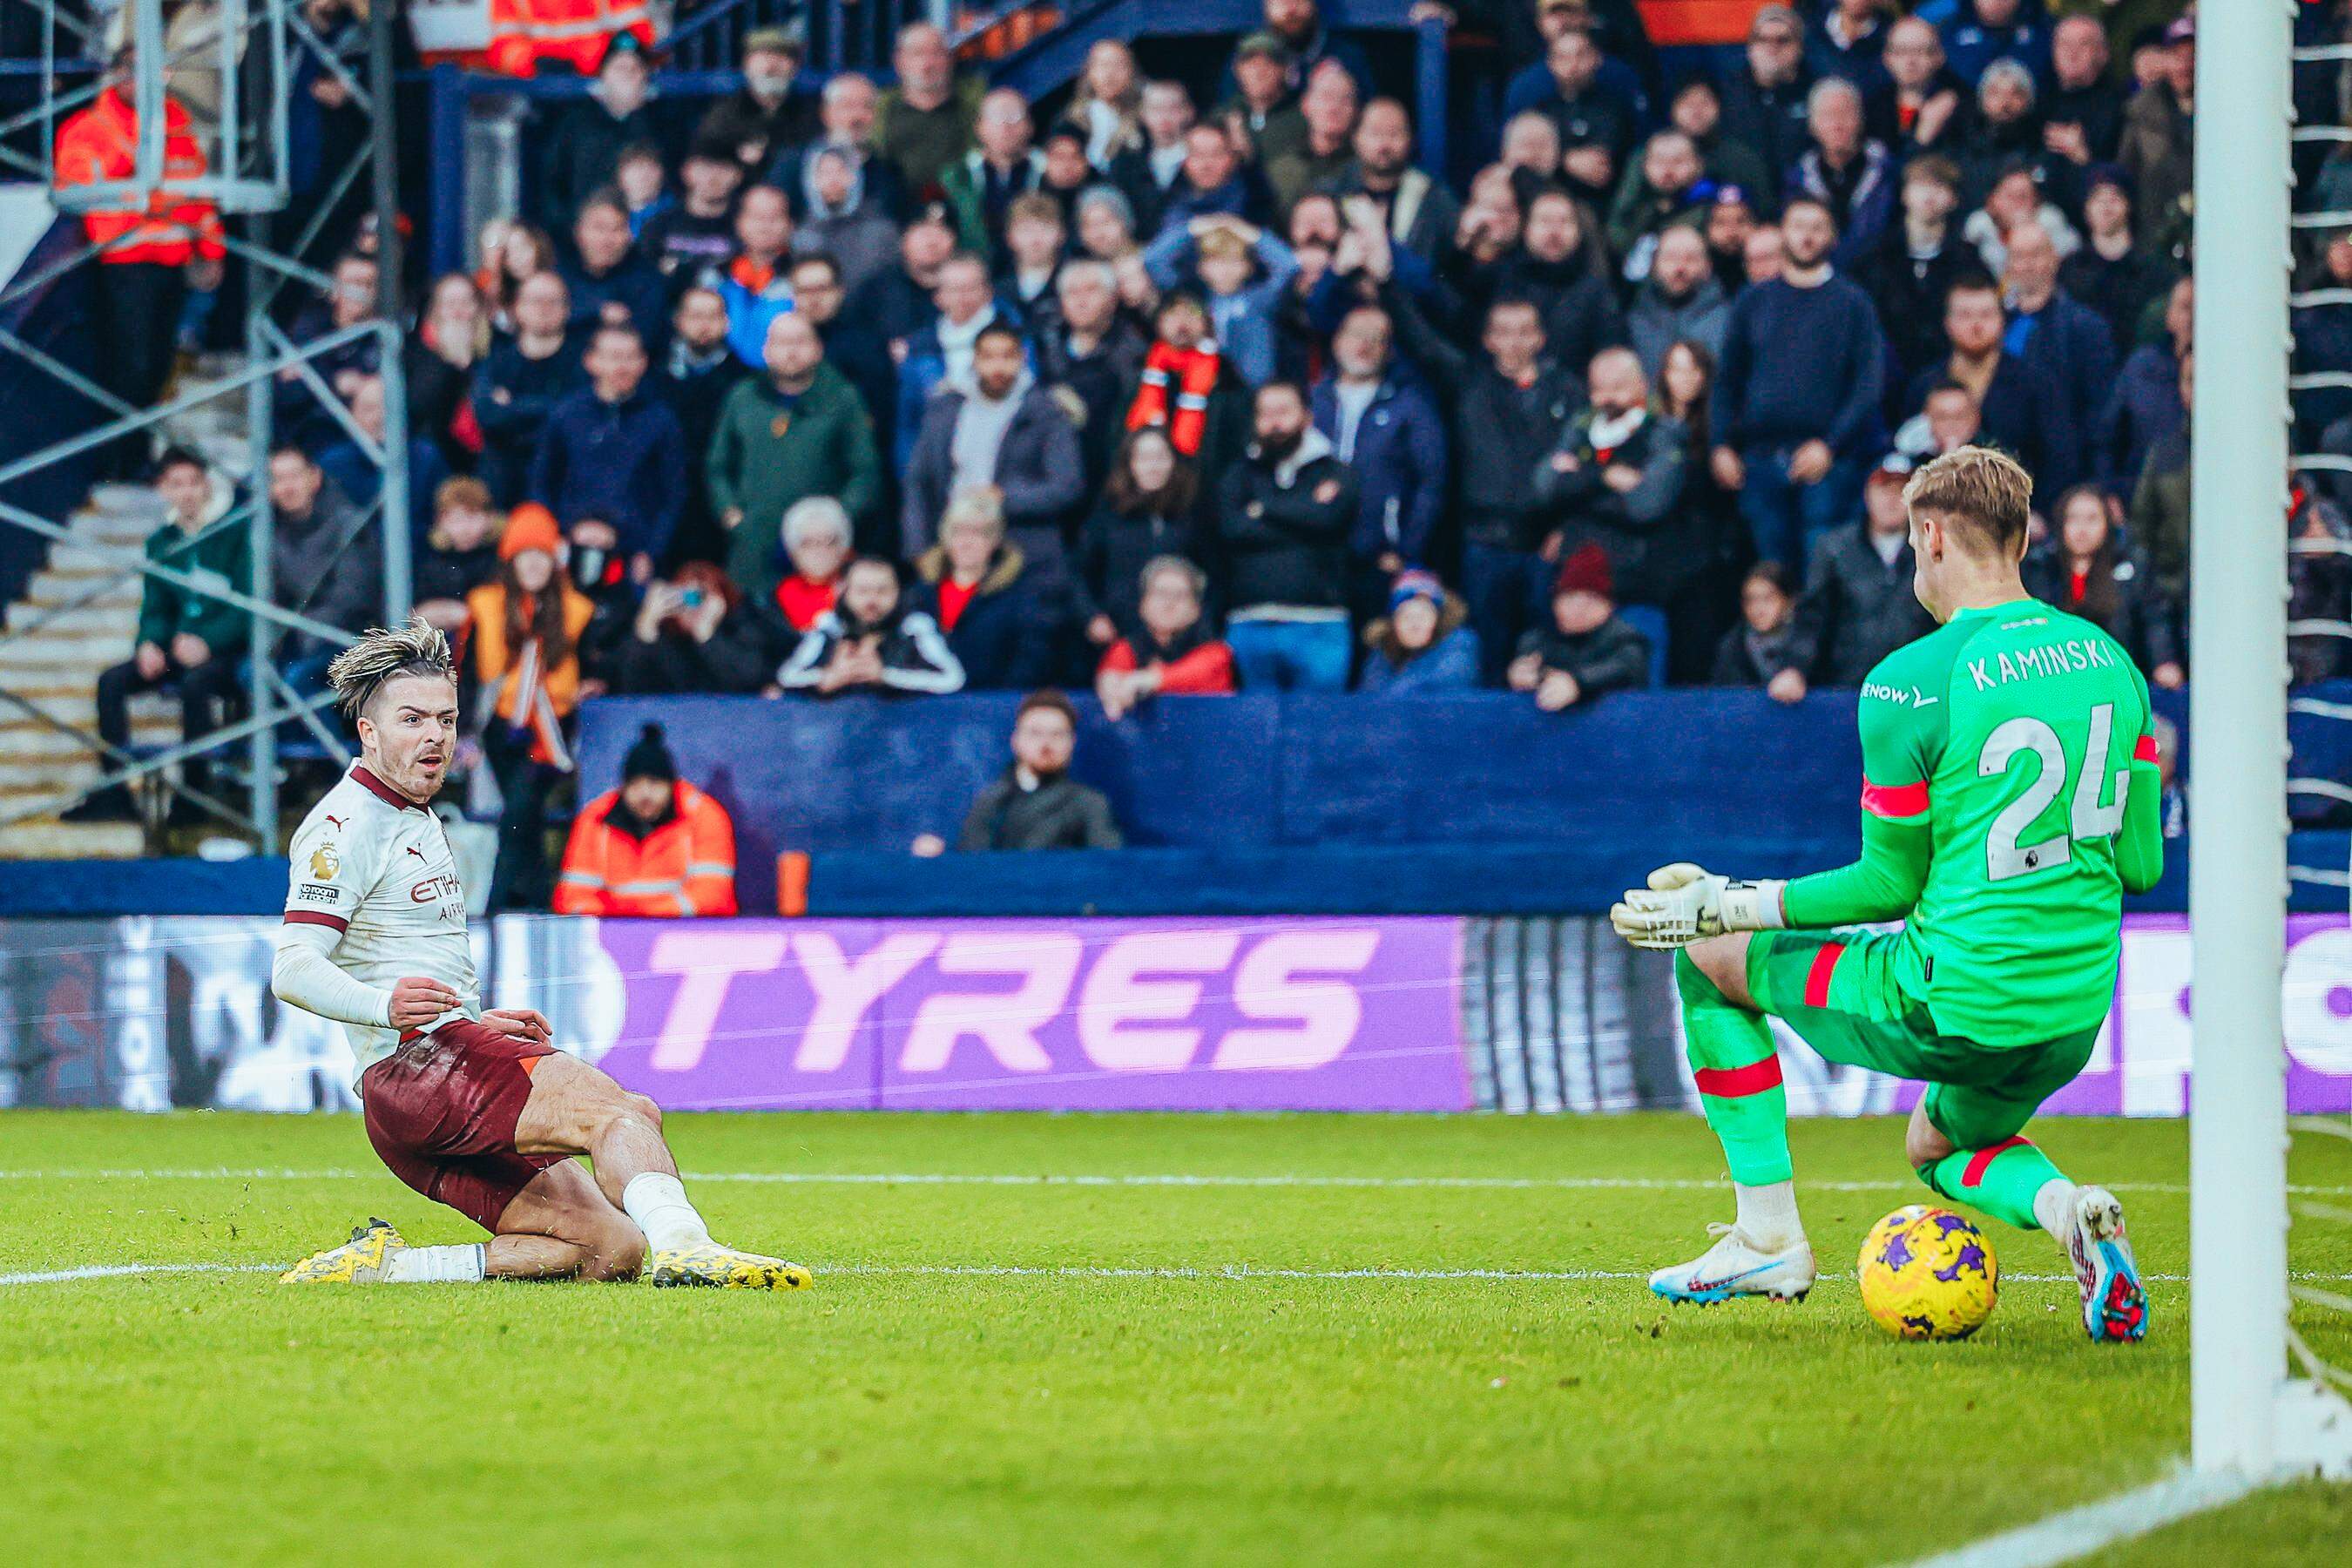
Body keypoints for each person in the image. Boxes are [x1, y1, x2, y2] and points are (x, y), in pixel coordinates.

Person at [1614, 444, 2154, 1344]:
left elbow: (1884, 884)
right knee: (1937, 1147)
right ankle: (2072, 1212)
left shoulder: (1910, 680)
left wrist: (1725, 903)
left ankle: (1767, 1238)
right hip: (2070, 1014)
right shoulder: (2110, 662)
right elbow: (2137, 865)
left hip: (1952, 998)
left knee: (1710, 966)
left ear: (1932, 534)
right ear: (2022, 537)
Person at [272, 618, 808, 1289]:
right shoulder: (344, 825)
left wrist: (469, 1019)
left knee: (607, 1250)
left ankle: (386, 1269)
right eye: (412, 719)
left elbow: (393, 955)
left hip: (426, 1074)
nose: (435, 735)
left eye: (445, 718)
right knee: (621, 1112)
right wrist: (389, 1009)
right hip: (420, 1072)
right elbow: (293, 966)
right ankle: (688, 1245)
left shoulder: (409, 812)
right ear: (369, 733)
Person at [54, 37, 226, 479]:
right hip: (124, 264)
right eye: (133, 70)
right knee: (128, 365)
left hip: (171, 261)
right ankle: (120, 462)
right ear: (115, 74)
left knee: (158, 364)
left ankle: (137, 456)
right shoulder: (88, 129)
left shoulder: (176, 123)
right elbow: (81, 195)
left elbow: (198, 193)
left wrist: (210, 250)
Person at [66, 449, 247, 823]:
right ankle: (116, 790)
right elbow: (156, 606)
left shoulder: (235, 533)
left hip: (225, 652)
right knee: (112, 681)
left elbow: (248, 605)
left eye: (193, 483)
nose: (186, 494)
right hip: (177, 650)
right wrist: (149, 642)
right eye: (175, 485)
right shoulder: (162, 542)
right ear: (163, 490)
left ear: (207, 485)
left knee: (198, 685)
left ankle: (194, 795)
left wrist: (208, 642)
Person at [1710, 199, 1886, 574]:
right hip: (1758, 461)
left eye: (1817, 227)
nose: (1806, 236)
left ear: (1833, 238)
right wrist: (1720, 444)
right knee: (1770, 578)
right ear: (1782, 233)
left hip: (1829, 465)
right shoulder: (1753, 301)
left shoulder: (1854, 303)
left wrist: (1830, 445)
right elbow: (1727, 380)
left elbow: (1868, 385)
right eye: (1798, 225)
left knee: (1821, 575)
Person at [706, 314, 882, 602]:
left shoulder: (842, 397)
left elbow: (865, 470)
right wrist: (729, 513)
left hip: (819, 546)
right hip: (754, 540)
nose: (791, 351)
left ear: (818, 348)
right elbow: (718, 466)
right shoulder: (743, 396)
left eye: (800, 342)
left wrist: (839, 518)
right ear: (766, 350)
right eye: (781, 343)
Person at [899, 322, 1085, 565]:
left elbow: (1066, 486)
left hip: (1021, 549)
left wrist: (1004, 498)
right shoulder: (946, 410)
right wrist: (918, 547)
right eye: (988, 356)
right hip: (951, 546)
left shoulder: (1046, 413)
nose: (998, 366)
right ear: (975, 360)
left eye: (1008, 356)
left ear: (1022, 358)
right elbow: (919, 481)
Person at [1217, 381, 1357, 691]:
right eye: (1265, 414)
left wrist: (1262, 508)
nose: (1274, 423)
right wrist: (1302, 513)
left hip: (1320, 624)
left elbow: (1329, 520)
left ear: (1307, 416)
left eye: (1283, 411)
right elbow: (1232, 528)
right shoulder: (1237, 473)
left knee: (1320, 730)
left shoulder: (1335, 472)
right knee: (1254, 733)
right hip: (1249, 624)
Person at [1310, 307, 1446, 613]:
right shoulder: (1313, 399)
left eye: (1376, 338)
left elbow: (1431, 482)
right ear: (1337, 341)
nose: (1364, 345)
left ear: (1388, 349)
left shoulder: (1410, 406)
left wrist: (1407, 549)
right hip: (1315, 553)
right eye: (1356, 335)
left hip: (1379, 556)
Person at [528, 323, 686, 574]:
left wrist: (652, 552)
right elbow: (542, 483)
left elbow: (674, 495)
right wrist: (555, 539)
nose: (622, 366)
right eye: (613, 357)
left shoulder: (661, 420)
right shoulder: (567, 414)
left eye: (630, 357)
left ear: (643, 363)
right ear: (591, 361)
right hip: (571, 546)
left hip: (633, 554)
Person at [1533, 347, 1687, 604]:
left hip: (1635, 576)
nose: (1606, 398)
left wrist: (1576, 484)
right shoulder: (1581, 426)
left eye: (1617, 388)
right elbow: (1544, 487)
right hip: (1575, 571)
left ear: (1642, 384)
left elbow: (1646, 506)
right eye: (1598, 389)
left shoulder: (1663, 433)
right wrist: (1604, 478)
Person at [1783, 458, 1938, 692]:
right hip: (1849, 687)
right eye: (1884, 489)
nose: (1892, 499)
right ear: (1867, 494)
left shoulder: (1932, 547)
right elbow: (1812, 615)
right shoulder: (1834, 548)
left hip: (1918, 689)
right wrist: (1795, 669)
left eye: (1902, 490)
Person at [556, 722, 740, 917]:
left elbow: (713, 895)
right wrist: (622, 923)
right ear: (623, 787)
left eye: (654, 783)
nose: (645, 794)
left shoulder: (705, 815)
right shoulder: (594, 818)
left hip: (686, 935)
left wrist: (645, 920)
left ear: (672, 785)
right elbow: (572, 896)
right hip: (613, 936)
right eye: (635, 784)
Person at [918, 690, 1122, 854]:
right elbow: (972, 867)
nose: (1046, 744)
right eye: (1035, 733)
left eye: (1057, 734)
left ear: (1071, 743)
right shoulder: (991, 800)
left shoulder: (1089, 803)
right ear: (1016, 740)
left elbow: (1107, 867)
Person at [2023, 484, 2181, 688]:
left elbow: (2155, 618)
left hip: (2119, 680)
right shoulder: (2039, 567)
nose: (2082, 529)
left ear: (2108, 523)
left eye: (2092, 519)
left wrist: (2163, 661)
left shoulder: (2133, 565)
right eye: (2073, 519)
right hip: (2054, 683)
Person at [909, 488, 1061, 689]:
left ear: (995, 540)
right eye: (958, 532)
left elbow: (1031, 658)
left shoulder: (1019, 595)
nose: (967, 542)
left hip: (993, 706)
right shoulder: (921, 592)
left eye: (978, 533)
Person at [1077, 428, 1200, 648]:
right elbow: (1079, 571)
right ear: (1129, 465)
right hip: (1117, 637)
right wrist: (1092, 616)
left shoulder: (1190, 513)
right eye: (1143, 458)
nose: (1153, 466)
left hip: (1181, 640)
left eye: (1160, 457)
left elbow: (1214, 574)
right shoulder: (1109, 513)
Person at [472, 271, 586, 506]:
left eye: (553, 301)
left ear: (567, 309)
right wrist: (549, 407)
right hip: (504, 483)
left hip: (564, 478)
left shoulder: (584, 362)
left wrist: (513, 407)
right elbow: (488, 415)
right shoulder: (497, 361)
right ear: (517, 308)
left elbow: (576, 417)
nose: (544, 308)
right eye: (535, 301)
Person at [777, 555, 965, 695]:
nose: (872, 600)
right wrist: (829, 677)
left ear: (898, 592)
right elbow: (787, 676)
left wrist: (885, 676)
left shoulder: (916, 627)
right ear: (845, 592)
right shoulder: (829, 627)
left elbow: (954, 679)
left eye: (882, 591)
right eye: (862, 591)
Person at [654, 286, 747, 570]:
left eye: (713, 316)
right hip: (665, 502)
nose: (704, 325)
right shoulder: (654, 378)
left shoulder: (745, 382)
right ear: (679, 320)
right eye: (695, 316)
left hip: (721, 505)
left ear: (727, 322)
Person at [537, 34, 659, 233]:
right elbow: (554, 183)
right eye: (619, 68)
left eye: (635, 69)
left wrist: (636, 111)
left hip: (645, 233)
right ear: (603, 74)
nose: (627, 76)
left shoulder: (658, 120)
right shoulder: (576, 123)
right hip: (583, 237)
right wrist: (571, 230)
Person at [1508, 543, 1652, 711]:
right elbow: (1528, 668)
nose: (1578, 610)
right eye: (1569, 598)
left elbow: (1626, 667)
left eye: (1590, 600)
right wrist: (1523, 675)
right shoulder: (1536, 640)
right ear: (1555, 603)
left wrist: (1577, 682)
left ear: (1609, 606)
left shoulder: (1626, 639)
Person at [1096, 556, 1237, 719]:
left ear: (1196, 609)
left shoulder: (1217, 652)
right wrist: (1109, 685)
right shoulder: (1126, 648)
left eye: (1180, 595)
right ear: (1142, 604)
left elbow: (1195, 674)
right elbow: (1112, 677)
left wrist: (1146, 680)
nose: (1169, 603)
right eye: (1160, 593)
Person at [614, 561, 773, 696]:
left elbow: (748, 682)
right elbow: (633, 685)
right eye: (686, 598)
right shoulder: (665, 642)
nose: (693, 606)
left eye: (701, 597)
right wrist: (646, 625)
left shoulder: (744, 631)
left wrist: (706, 635)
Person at [874, 22, 983, 195]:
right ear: (899, 62)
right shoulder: (879, 110)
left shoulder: (975, 105)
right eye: (917, 54)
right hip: (896, 212)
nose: (927, 64)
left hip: (963, 209)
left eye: (936, 53)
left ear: (949, 59)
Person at [693, 26, 818, 174]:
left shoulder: (810, 114)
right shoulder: (724, 114)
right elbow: (705, 160)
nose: (771, 67)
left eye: (780, 57)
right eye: (763, 57)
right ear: (746, 64)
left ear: (795, 67)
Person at [559, 190, 668, 352]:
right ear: (579, 233)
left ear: (629, 235)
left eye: (617, 229)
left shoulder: (648, 280)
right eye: (599, 228)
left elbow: (648, 339)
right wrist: (597, 313)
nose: (607, 239)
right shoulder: (557, 275)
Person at [942, 88, 1044, 259]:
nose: (1006, 126)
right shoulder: (956, 176)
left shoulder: (1049, 172)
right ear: (979, 127)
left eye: (1015, 116)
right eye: (995, 117)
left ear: (1030, 126)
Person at [704, 185, 798, 368]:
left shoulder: (801, 279)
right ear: (739, 223)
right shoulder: (715, 276)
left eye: (775, 217)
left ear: (790, 224)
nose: (765, 226)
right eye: (756, 217)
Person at [1625, 225, 1728, 378]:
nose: (1680, 268)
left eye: (1691, 259)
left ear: (1708, 266)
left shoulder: (1728, 321)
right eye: (1670, 258)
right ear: (1654, 265)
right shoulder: (1634, 322)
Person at [1357, 569, 1479, 696]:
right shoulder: (1384, 647)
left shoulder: (1459, 644)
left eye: (1422, 616)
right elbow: (1370, 693)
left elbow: (1444, 685)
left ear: (1437, 619)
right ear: (1394, 623)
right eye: (1406, 617)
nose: (1415, 625)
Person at [413, 477, 504, 641]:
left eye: (472, 517)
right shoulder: (434, 562)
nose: (464, 528)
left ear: (489, 517)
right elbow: (417, 611)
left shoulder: (498, 559)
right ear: (441, 522)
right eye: (455, 520)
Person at [1710, 562, 1806, 693]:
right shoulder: (1733, 647)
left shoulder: (1808, 644)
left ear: (1790, 601)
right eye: (1751, 600)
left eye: (1768, 599)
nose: (1758, 609)